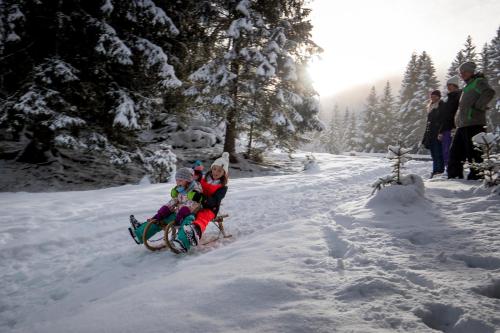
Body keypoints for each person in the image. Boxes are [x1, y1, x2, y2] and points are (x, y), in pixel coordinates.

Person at [171, 152, 229, 253]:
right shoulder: (203, 179)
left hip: (210, 208)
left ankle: (194, 233)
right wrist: (180, 189)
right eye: (214, 168)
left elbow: (215, 200)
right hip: (196, 204)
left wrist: (199, 197)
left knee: (202, 217)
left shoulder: (222, 188)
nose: (216, 172)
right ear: (211, 168)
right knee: (186, 215)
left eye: (220, 171)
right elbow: (191, 183)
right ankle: (181, 237)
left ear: (224, 173)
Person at [129, 167, 204, 244]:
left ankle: (183, 241)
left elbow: (194, 203)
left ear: (188, 180)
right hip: (178, 213)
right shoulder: (180, 189)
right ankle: (139, 235)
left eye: (180, 180)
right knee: (160, 220)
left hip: (191, 213)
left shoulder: (195, 189)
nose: (178, 183)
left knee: (186, 223)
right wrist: (165, 210)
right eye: (177, 180)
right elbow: (174, 200)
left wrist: (182, 212)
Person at [447, 62, 496, 180]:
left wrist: (479, 106)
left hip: (474, 124)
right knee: (455, 152)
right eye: (461, 73)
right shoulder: (467, 86)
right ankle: (454, 176)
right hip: (463, 125)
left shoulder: (478, 81)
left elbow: (489, 92)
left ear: (471, 72)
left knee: (473, 153)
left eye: (465, 72)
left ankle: (476, 177)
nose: (462, 74)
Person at [438, 76, 461, 172]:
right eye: (447, 85)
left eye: (450, 85)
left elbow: (456, 113)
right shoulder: (448, 98)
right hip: (446, 128)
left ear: (455, 85)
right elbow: (445, 116)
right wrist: (441, 131)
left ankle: (452, 169)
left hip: (453, 127)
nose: (448, 87)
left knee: (451, 150)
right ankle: (448, 169)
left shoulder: (458, 96)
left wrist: (455, 126)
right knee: (445, 150)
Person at [422, 90, 445, 178]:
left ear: (439, 97)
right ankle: (435, 170)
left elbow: (443, 120)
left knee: (438, 152)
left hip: (437, 133)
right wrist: (425, 136)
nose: (433, 97)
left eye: (435, 96)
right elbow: (428, 123)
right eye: (432, 96)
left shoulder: (441, 105)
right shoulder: (431, 107)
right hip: (430, 134)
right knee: (434, 154)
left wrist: (441, 131)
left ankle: (439, 171)